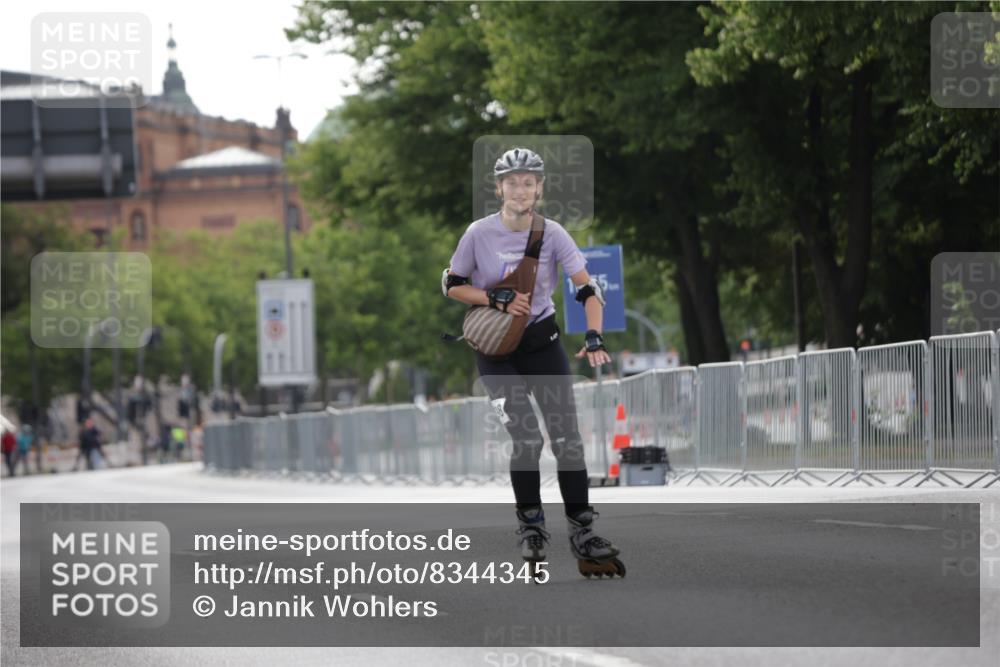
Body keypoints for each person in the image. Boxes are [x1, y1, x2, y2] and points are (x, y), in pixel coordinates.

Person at [443, 147, 625, 579]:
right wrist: (492, 297)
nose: (521, 189)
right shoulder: (478, 234)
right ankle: (531, 527)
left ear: (539, 188)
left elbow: (585, 289)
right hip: (494, 351)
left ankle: (583, 531)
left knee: (567, 438)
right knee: (527, 439)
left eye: (529, 181)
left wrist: (594, 333)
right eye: (512, 181)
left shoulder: (554, 233)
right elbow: (452, 284)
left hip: (543, 343)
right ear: (499, 187)